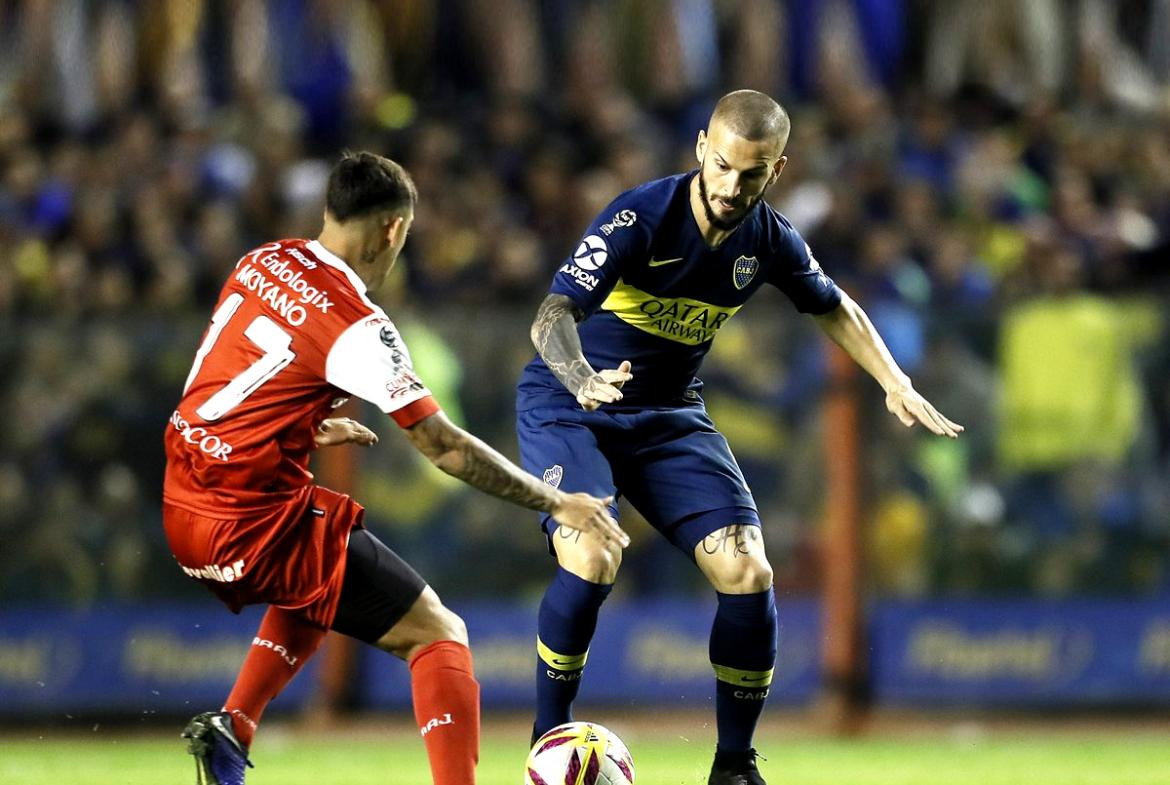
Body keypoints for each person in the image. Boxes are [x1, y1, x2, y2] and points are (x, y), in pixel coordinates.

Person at [516, 90, 962, 785]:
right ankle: (547, 745)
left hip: (667, 414)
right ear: (701, 148)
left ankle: (733, 767)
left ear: (775, 171)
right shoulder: (640, 217)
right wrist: (579, 378)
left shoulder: (769, 240)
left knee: (749, 571)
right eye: (721, 165)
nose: (730, 186)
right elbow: (551, 315)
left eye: (750, 174)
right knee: (595, 553)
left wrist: (894, 382)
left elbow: (835, 305)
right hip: (569, 405)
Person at [163, 151, 628, 785]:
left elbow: (225, 381)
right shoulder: (355, 324)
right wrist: (556, 502)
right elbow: (445, 449)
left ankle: (234, 727)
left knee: (317, 573)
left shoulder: (260, 261)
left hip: (185, 501)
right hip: (249, 521)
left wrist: (302, 426)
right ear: (391, 229)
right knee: (438, 634)